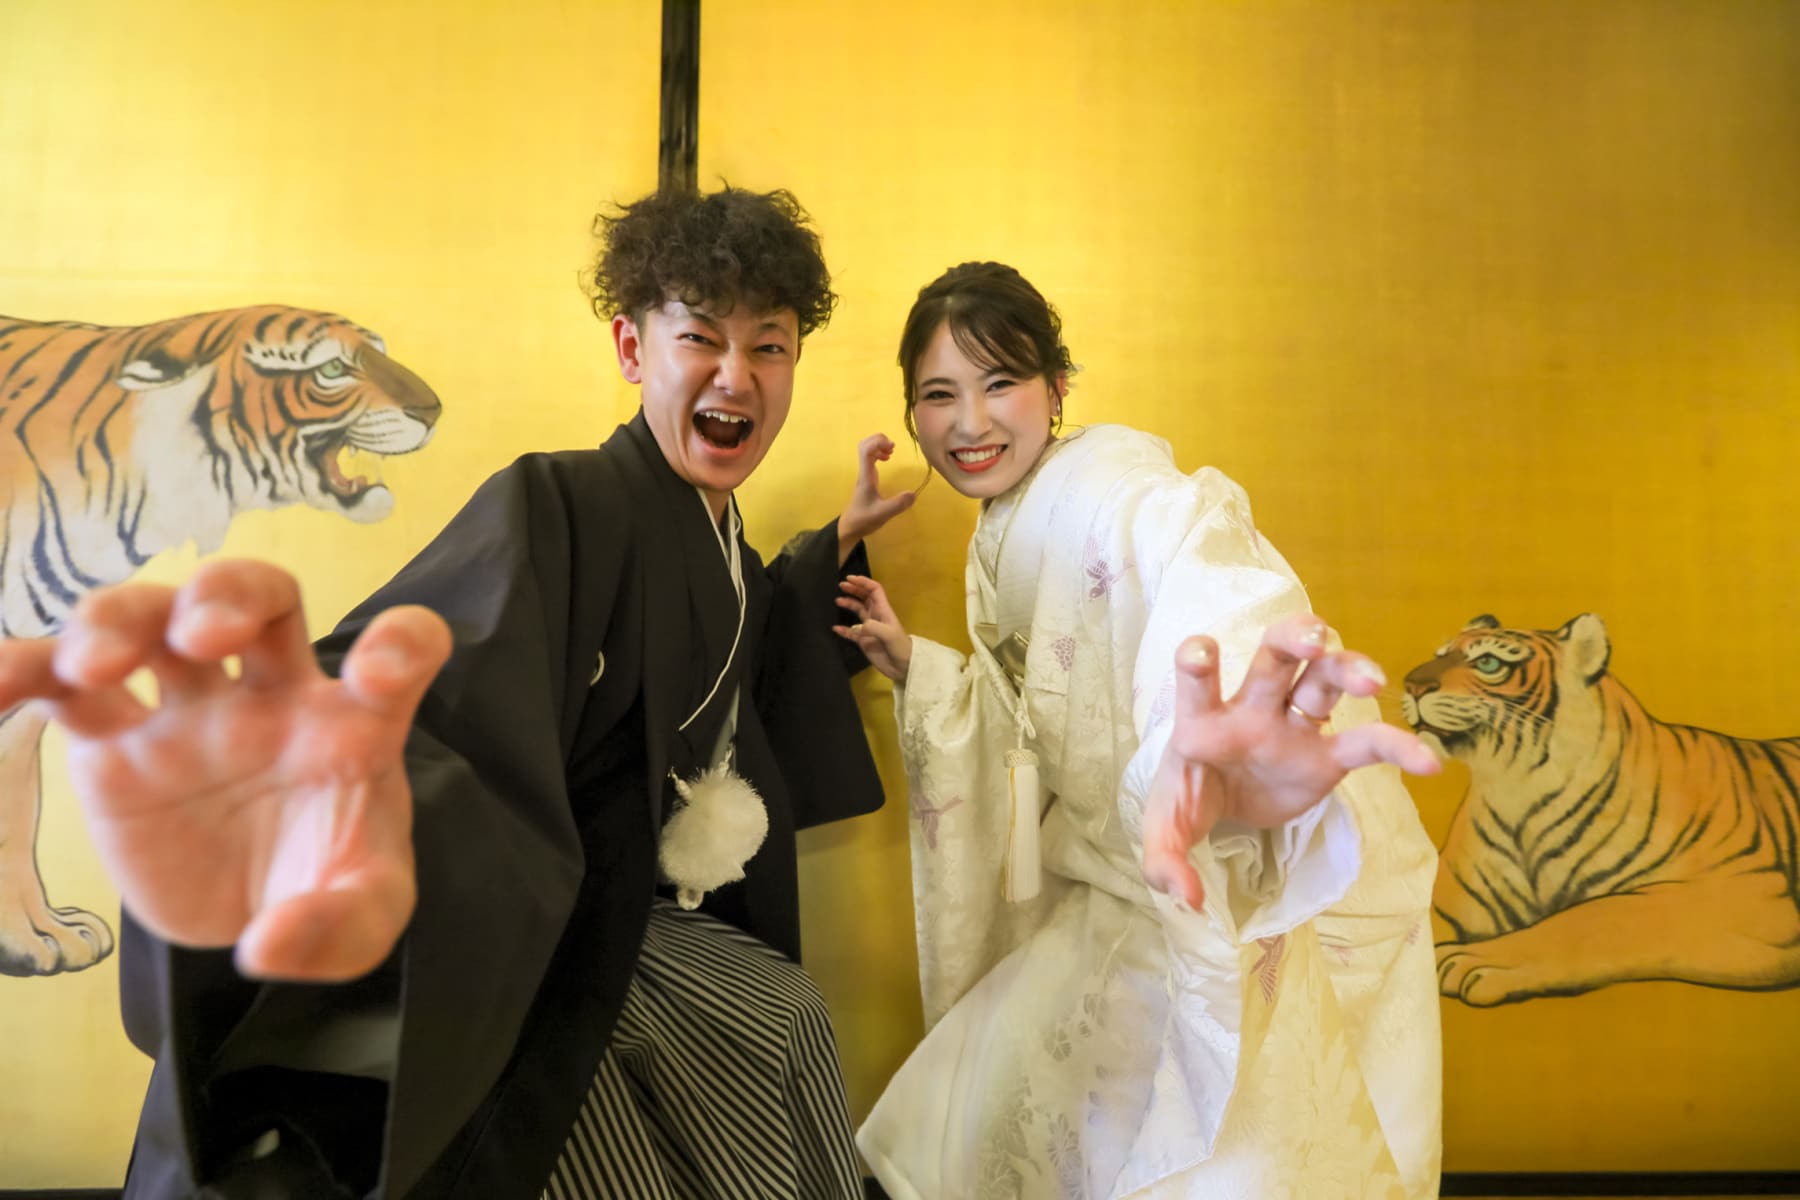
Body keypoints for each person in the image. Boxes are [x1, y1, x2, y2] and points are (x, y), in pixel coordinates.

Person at [0, 186, 912, 1198]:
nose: (735, 375)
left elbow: (739, 646)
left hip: (630, 929)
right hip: (545, 947)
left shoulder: (723, 546)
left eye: (769, 347)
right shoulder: (562, 501)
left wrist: (827, 549)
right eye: (700, 337)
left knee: (784, 1013)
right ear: (631, 347)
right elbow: (421, 684)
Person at [838, 262, 1445, 1199]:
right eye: (939, 395)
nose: (970, 423)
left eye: (1001, 383)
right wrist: (920, 666)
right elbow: (1036, 713)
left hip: (1223, 871)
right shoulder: (1008, 521)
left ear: (1058, 387)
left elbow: (1210, 581)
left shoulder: (1119, 491)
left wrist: (1219, 754)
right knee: (982, 1113)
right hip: (1132, 877)